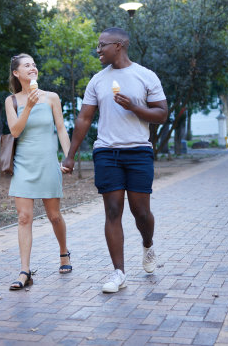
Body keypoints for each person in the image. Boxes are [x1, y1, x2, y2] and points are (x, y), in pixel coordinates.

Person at [62, 27, 168, 293]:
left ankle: (148, 244)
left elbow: (162, 114)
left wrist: (134, 107)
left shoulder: (145, 76)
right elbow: (84, 118)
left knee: (141, 212)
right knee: (112, 211)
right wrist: (71, 155)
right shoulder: (98, 80)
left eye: (102, 45)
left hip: (138, 151)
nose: (98, 50)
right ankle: (118, 272)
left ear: (119, 45)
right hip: (107, 152)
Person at [5, 53, 72, 290]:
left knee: (54, 215)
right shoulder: (11, 100)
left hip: (48, 164)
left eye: (34, 64)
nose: (32, 68)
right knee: (24, 218)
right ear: (16, 73)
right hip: (24, 165)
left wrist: (69, 155)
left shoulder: (51, 97)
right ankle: (25, 271)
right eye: (27, 65)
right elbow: (15, 131)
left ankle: (64, 252)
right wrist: (28, 106)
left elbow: (62, 129)